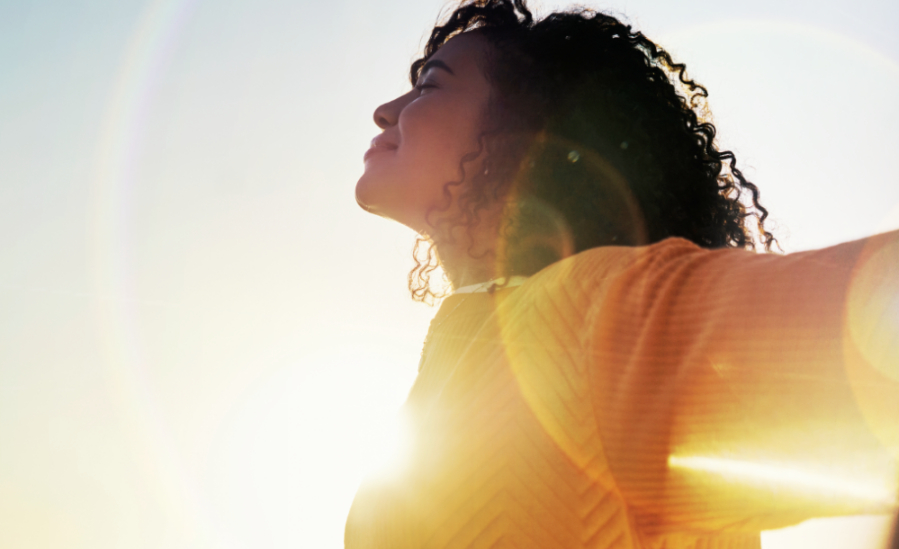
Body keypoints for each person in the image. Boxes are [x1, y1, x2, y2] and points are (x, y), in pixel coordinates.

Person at [348, 1, 899, 547]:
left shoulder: (595, 324)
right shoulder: (460, 362)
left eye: (430, 86)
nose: (385, 109)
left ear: (528, 132)